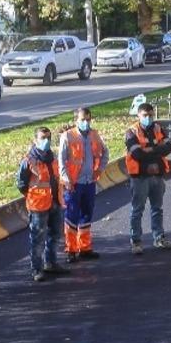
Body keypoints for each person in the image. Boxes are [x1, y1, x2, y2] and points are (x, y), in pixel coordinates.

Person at [17, 127, 70, 281]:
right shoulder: (28, 161)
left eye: (48, 137)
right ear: (35, 140)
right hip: (38, 206)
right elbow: (21, 184)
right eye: (42, 138)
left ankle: (51, 263)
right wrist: (32, 196)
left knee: (55, 234)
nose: (46, 141)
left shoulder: (52, 157)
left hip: (55, 201)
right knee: (38, 239)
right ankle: (36, 269)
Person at [58, 107, 109, 262]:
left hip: (89, 182)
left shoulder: (94, 135)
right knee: (71, 216)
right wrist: (66, 180)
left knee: (86, 215)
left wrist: (98, 170)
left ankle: (85, 248)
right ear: (76, 121)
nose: (86, 122)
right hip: (73, 184)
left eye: (88, 119)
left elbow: (105, 152)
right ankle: (71, 250)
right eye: (82, 120)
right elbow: (61, 160)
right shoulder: (68, 136)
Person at [126, 102, 171, 253]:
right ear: (138, 116)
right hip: (140, 177)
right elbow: (136, 154)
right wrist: (156, 151)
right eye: (144, 115)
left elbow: (168, 148)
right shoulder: (131, 132)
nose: (148, 118)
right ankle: (136, 242)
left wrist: (149, 150)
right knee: (137, 210)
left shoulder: (158, 128)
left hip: (157, 176)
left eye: (150, 115)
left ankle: (159, 238)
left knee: (157, 208)